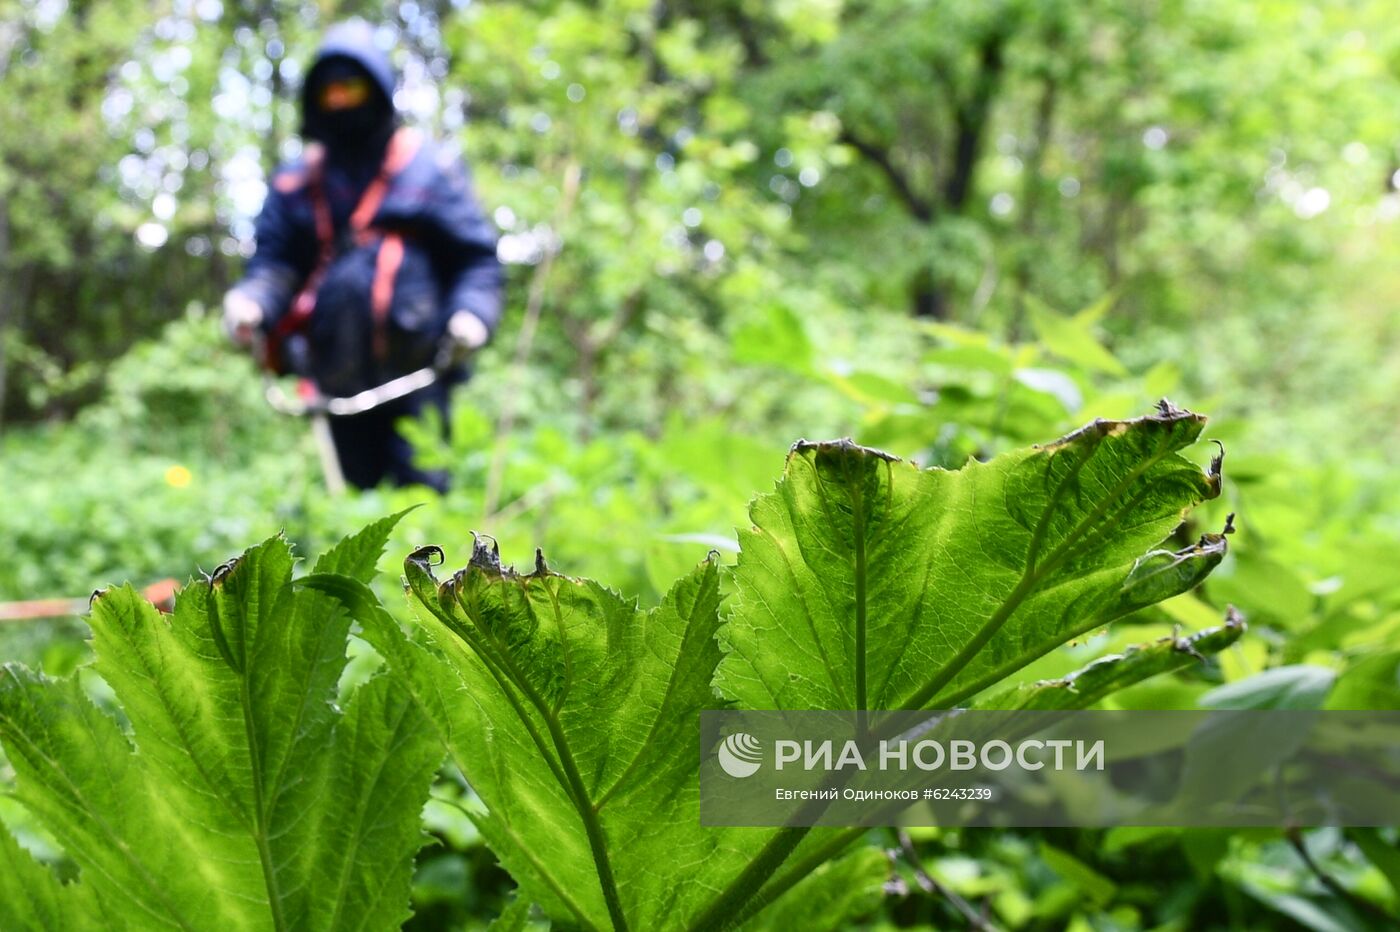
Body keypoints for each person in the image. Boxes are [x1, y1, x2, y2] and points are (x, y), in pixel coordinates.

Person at [223, 20, 502, 492]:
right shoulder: (296, 183)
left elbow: (475, 262)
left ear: (376, 87)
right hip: (335, 387)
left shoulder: (429, 169)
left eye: (350, 87)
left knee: (426, 519)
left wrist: (473, 316)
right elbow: (275, 266)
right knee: (354, 526)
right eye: (328, 91)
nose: (339, 102)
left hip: (419, 381)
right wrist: (250, 301)